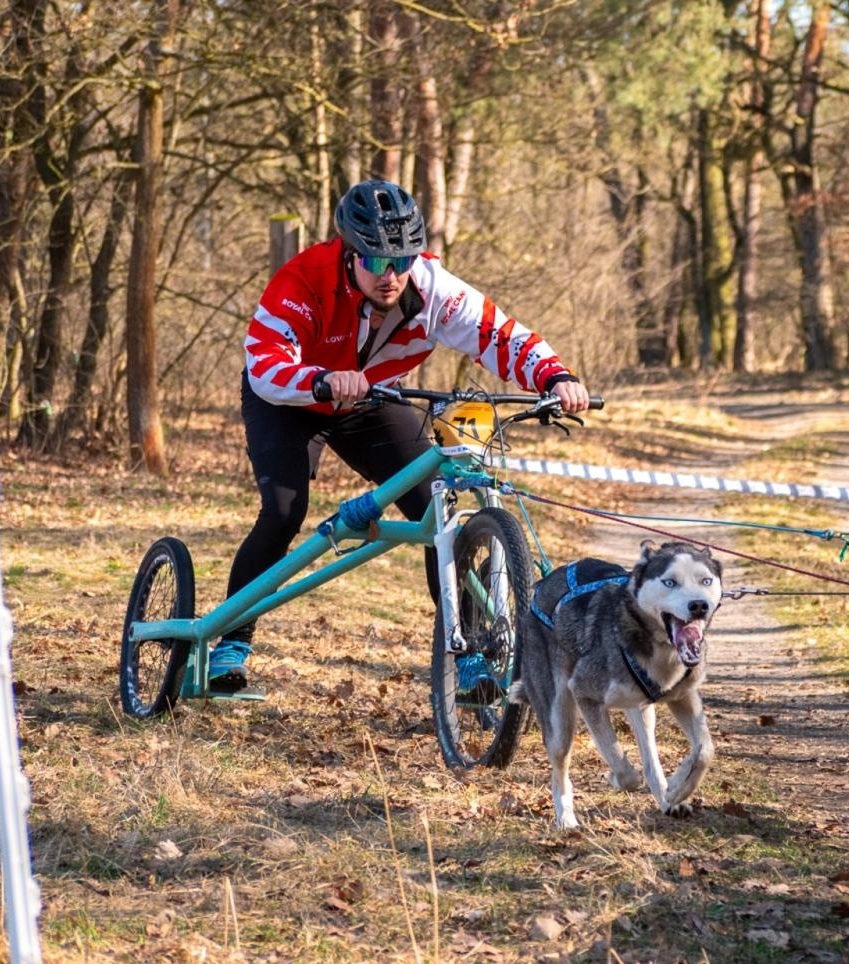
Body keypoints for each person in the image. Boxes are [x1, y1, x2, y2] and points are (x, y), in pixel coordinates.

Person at [209, 179, 590, 691]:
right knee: (283, 511)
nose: (390, 275)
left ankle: (472, 652)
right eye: (374, 262)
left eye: (402, 260)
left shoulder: (435, 289)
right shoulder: (304, 279)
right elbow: (265, 364)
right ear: (350, 254)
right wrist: (319, 380)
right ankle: (230, 642)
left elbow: (499, 336)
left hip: (371, 400)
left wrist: (555, 377)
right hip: (289, 397)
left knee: (437, 511)